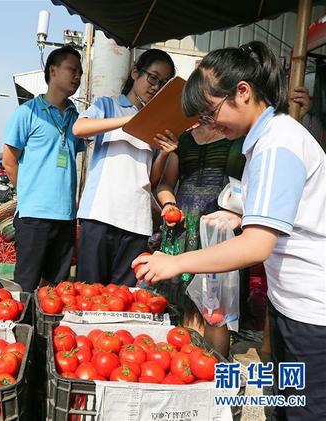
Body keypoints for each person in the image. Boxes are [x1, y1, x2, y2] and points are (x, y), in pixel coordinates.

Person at [134, 41, 326, 419]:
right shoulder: (266, 141)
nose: (209, 123)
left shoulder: (277, 144)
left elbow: (256, 247)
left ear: (243, 92)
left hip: (311, 309)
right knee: (288, 405)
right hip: (293, 302)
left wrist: (176, 262)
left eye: (210, 112)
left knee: (306, 410)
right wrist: (243, 216)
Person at [73, 48, 178, 286]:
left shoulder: (157, 122)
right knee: (89, 293)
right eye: (153, 78)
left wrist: (164, 153)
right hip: (100, 214)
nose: (155, 87)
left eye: (163, 84)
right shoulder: (108, 106)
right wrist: (129, 121)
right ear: (135, 73)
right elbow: (78, 129)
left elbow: (151, 180)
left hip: (137, 220)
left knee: (123, 298)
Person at [3, 45, 84, 292]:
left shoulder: (76, 117)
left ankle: (49, 331)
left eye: (80, 71)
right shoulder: (27, 113)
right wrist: (29, 195)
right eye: (72, 69)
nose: (78, 76)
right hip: (33, 217)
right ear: (53, 70)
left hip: (67, 217)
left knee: (56, 289)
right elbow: (9, 161)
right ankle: (23, 330)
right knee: (25, 285)